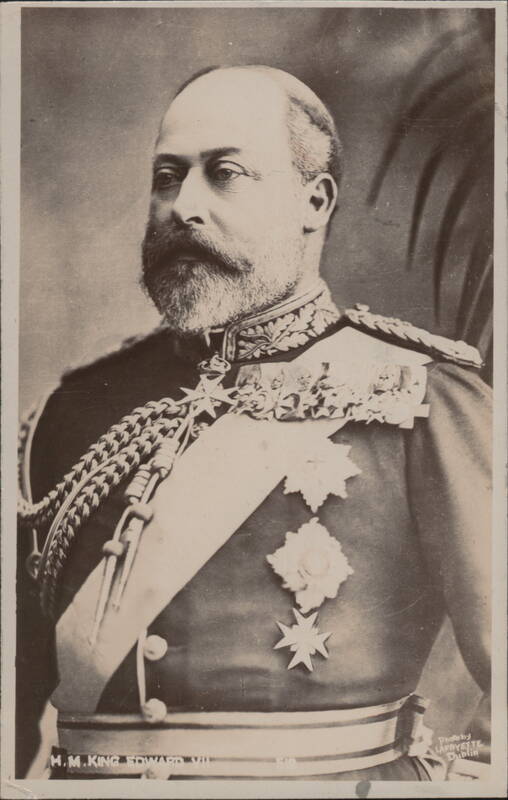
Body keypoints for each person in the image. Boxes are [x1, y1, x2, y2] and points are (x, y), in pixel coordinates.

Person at [17, 65, 491, 782]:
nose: (184, 206)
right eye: (168, 176)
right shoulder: (77, 410)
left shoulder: (425, 399)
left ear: (315, 200)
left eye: (226, 173)